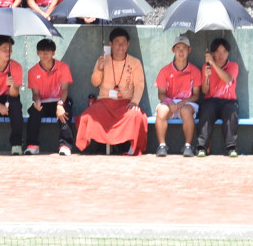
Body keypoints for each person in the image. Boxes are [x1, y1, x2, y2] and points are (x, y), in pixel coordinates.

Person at [76, 27, 148, 155]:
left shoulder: (135, 62)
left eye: (123, 42)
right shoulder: (103, 60)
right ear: (111, 44)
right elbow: (95, 82)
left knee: (136, 116)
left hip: (125, 103)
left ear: (128, 44)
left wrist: (135, 102)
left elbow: (139, 85)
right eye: (117, 42)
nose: (120, 46)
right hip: (104, 102)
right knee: (88, 115)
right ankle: (89, 139)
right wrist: (99, 69)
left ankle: (133, 148)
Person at [153, 36, 203, 157]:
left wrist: (183, 102)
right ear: (173, 50)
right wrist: (170, 102)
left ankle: (188, 146)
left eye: (184, 48)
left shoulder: (195, 71)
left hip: (188, 103)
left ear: (189, 50)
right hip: (169, 102)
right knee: (161, 110)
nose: (181, 51)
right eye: (178, 48)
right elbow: (161, 94)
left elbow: (196, 95)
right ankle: (162, 145)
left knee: (186, 110)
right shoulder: (165, 70)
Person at [25, 38, 75, 156]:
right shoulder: (32, 71)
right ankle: (32, 145)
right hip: (43, 102)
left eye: (48, 51)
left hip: (60, 100)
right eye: (42, 51)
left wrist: (60, 105)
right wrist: (37, 101)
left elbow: (65, 89)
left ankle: (65, 146)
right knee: (34, 111)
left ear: (53, 53)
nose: (45, 54)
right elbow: (35, 93)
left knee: (65, 112)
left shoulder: (63, 67)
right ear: (37, 52)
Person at [196, 37, 240, 157]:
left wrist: (213, 64)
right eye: (218, 52)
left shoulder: (233, 66)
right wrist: (206, 76)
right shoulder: (206, 67)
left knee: (230, 112)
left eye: (224, 52)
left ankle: (231, 148)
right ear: (213, 53)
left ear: (228, 53)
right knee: (206, 112)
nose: (221, 55)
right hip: (211, 101)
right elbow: (204, 91)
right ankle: (201, 147)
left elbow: (228, 79)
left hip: (229, 101)